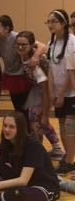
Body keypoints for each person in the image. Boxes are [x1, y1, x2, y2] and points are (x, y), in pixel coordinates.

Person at [15, 31, 64, 159]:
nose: (20, 47)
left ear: (32, 45)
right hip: (37, 89)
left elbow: (45, 90)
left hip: (46, 91)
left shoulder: (36, 65)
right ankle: (56, 148)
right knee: (38, 121)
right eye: (18, 44)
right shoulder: (25, 55)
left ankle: (39, 151)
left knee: (36, 120)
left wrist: (46, 113)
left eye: (24, 45)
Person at [46, 9, 75, 173]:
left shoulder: (72, 43)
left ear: (63, 23)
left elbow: (72, 72)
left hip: (71, 92)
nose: (50, 24)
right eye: (48, 21)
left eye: (54, 21)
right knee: (62, 124)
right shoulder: (51, 43)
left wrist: (62, 94)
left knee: (70, 124)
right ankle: (68, 156)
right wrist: (52, 93)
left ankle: (70, 160)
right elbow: (50, 70)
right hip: (58, 93)